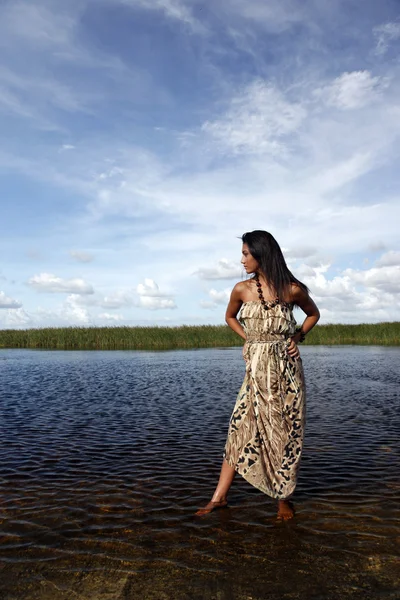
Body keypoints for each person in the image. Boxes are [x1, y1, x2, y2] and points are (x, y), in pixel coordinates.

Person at [196, 230, 320, 521]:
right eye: (242, 253)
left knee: (283, 433)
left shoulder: (292, 289)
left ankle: (283, 499)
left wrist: (298, 336)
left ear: (262, 254)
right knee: (238, 429)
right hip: (254, 374)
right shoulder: (241, 289)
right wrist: (248, 339)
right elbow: (229, 317)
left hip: (285, 374)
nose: (242, 260)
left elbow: (313, 314)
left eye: (246, 254)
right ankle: (220, 497)